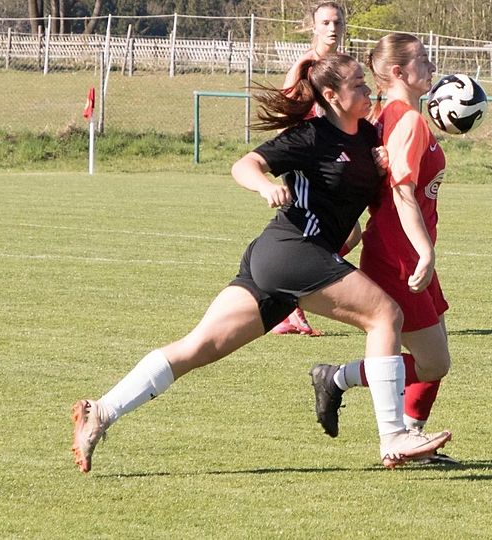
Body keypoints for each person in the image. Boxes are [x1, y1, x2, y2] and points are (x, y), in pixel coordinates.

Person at [70, 53, 451, 473]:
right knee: (384, 316)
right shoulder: (310, 136)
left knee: (199, 347)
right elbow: (245, 164)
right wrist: (264, 186)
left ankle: (102, 410)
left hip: (280, 256)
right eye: (358, 85)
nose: (367, 90)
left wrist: (379, 165)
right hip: (293, 251)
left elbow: (367, 187)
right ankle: (393, 435)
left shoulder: (365, 135)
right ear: (331, 96)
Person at [309, 33, 458, 464]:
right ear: (398, 72)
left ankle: (413, 438)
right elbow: (403, 193)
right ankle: (336, 378)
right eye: (423, 60)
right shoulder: (406, 121)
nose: (431, 67)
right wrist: (424, 252)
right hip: (399, 254)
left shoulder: (386, 116)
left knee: (436, 356)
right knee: (433, 363)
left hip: (403, 250)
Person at [271, 1, 353, 336]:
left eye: (337, 22)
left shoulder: (343, 65)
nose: (332, 28)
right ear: (314, 26)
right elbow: (283, 116)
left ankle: (288, 302)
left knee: (340, 233)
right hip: (309, 164)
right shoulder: (306, 66)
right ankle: (289, 300)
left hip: (332, 160)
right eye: (325, 22)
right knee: (337, 233)